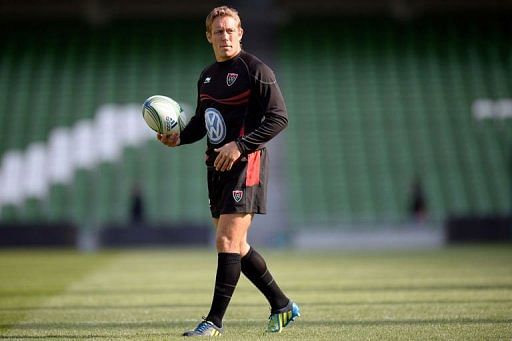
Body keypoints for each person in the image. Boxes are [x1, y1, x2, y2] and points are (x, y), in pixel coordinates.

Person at [157, 5, 300, 337]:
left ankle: (213, 322)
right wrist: (177, 139)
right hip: (215, 168)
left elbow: (279, 118)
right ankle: (282, 305)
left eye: (230, 29)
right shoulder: (207, 76)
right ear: (209, 36)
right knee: (239, 245)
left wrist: (241, 145)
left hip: (245, 165)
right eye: (218, 31)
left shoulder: (256, 70)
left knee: (225, 240)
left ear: (240, 33)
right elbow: (200, 124)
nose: (225, 35)